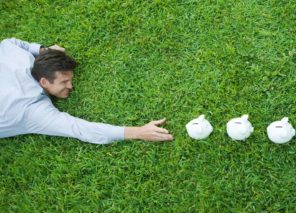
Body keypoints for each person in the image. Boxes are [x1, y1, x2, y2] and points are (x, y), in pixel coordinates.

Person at [0, 38, 173, 144]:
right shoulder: (31, 111)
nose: (70, 86)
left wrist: (44, 51)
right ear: (44, 81)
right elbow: (81, 129)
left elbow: (9, 43)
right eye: (64, 82)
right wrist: (138, 132)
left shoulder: (21, 58)